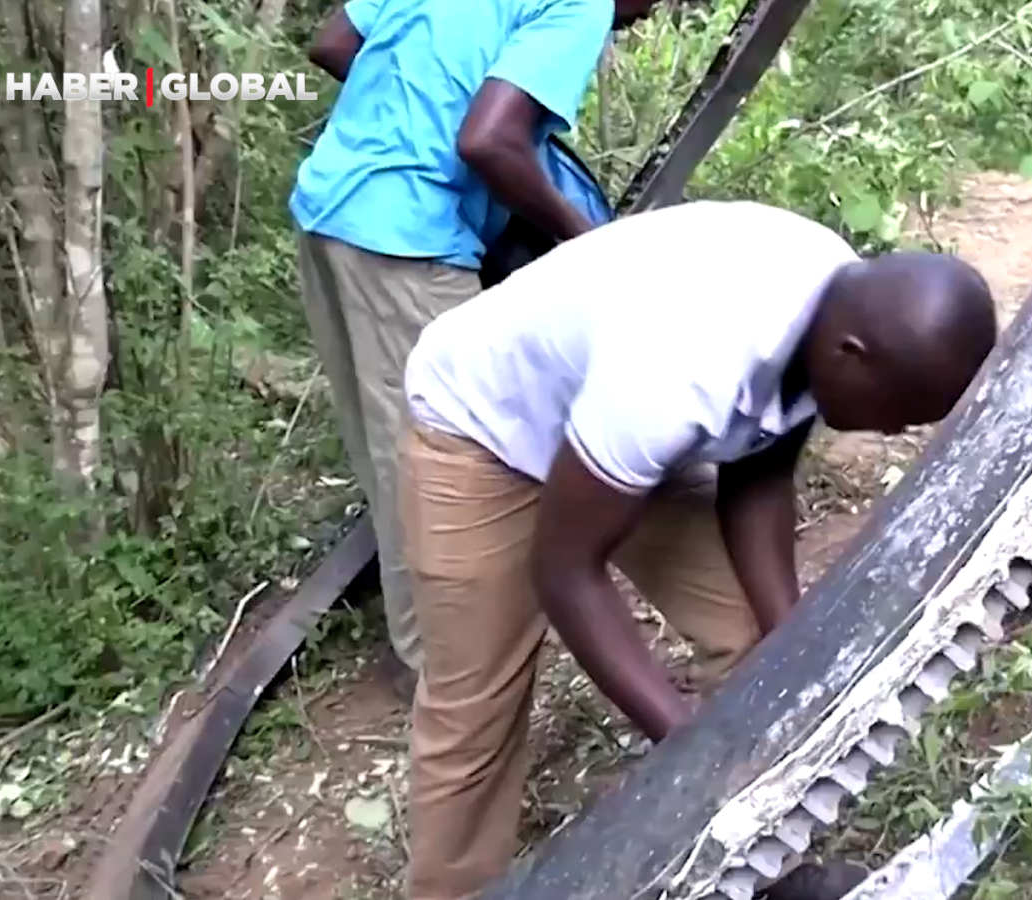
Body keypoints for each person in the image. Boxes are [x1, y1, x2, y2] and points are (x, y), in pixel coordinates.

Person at [396, 199, 999, 900]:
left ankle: (759, 867)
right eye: (897, 411)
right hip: (483, 436)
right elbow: (567, 573)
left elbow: (757, 478)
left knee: (750, 642)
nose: (892, 431)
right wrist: (696, 758)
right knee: (478, 706)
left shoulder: (836, 306)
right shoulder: (681, 366)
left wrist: (790, 641)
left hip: (611, 431)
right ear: (852, 355)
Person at [290, 0, 660, 694]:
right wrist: (594, 246)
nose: (646, 17)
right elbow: (488, 143)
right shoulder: (580, 6)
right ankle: (453, 674)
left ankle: (426, 650)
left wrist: (407, 120)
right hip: (404, 239)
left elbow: (336, 43)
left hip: (331, 205)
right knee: (462, 460)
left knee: (396, 450)